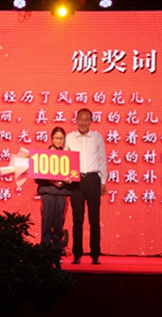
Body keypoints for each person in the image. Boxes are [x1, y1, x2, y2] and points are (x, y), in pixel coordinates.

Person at [65, 108, 107, 265]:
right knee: (77, 219)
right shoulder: (69, 138)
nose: (83, 122)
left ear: (91, 121)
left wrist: (103, 181)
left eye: (86, 119)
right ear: (76, 120)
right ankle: (77, 254)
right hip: (76, 181)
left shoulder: (97, 138)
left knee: (94, 219)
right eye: (80, 119)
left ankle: (95, 254)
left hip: (93, 179)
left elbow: (102, 160)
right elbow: (64, 159)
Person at [35, 127, 71, 253]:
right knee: (47, 221)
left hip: (62, 193)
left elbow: (73, 174)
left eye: (61, 138)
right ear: (51, 139)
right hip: (48, 192)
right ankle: (45, 250)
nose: (59, 141)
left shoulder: (68, 156)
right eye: (56, 138)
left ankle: (56, 249)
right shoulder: (43, 156)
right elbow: (37, 177)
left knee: (58, 223)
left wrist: (69, 179)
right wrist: (52, 180)